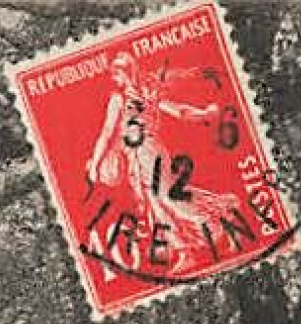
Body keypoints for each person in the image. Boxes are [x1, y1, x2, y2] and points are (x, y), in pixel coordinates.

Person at [85, 52, 238, 275]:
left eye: (117, 74)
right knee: (156, 206)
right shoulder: (127, 97)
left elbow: (178, 111)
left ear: (127, 73)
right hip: (136, 160)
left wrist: (204, 114)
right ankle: (186, 251)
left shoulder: (135, 96)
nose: (115, 79)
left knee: (169, 197)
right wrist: (97, 164)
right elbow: (109, 133)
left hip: (150, 153)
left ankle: (217, 227)